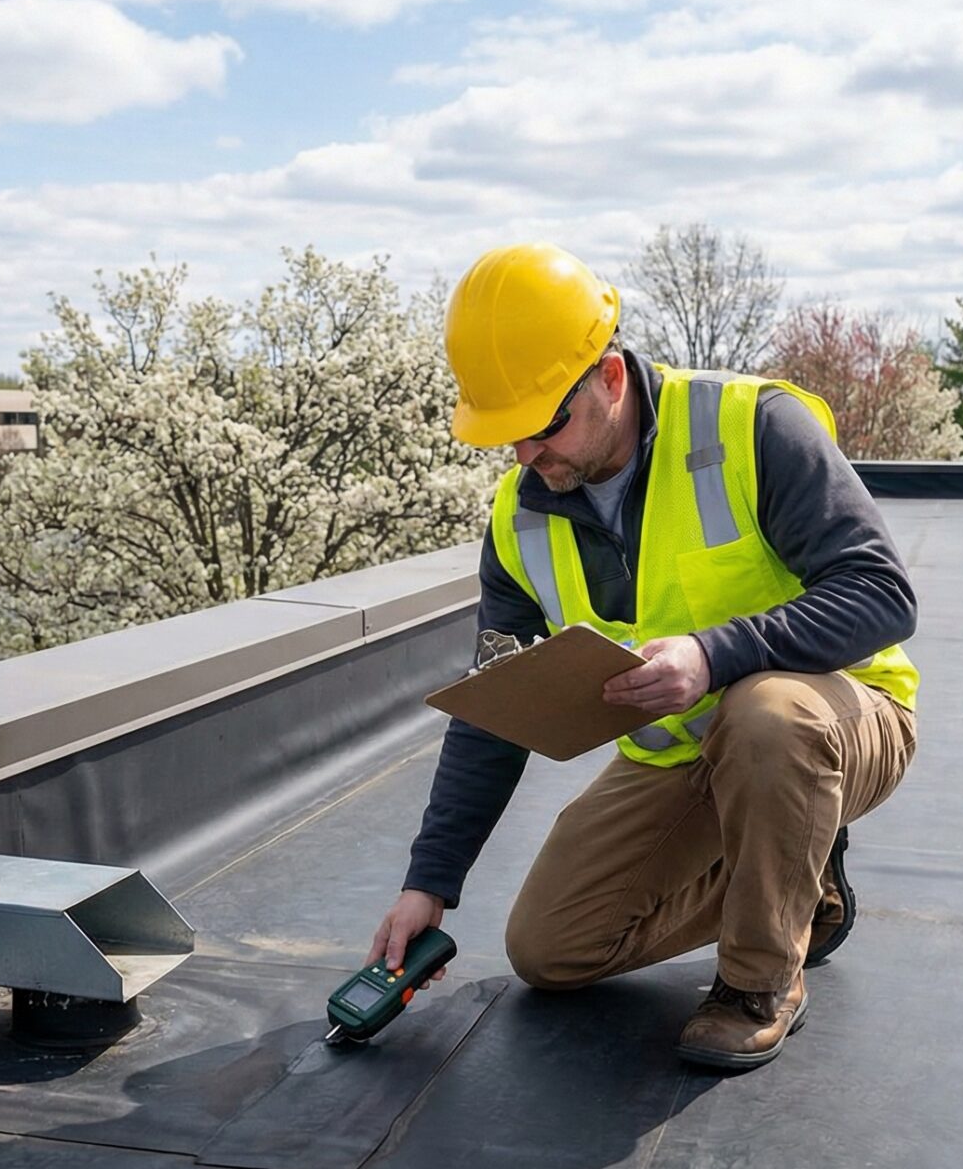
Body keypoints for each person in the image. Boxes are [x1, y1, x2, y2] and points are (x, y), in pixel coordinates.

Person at [364, 242, 919, 1069]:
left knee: (768, 714)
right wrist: (429, 882)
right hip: (687, 753)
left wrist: (712, 653)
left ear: (611, 379)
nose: (525, 458)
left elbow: (882, 594)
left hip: (837, 719)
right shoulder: (521, 517)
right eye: (505, 437)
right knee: (551, 948)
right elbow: (498, 708)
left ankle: (761, 980)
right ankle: (805, 877)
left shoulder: (754, 427)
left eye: (543, 425)